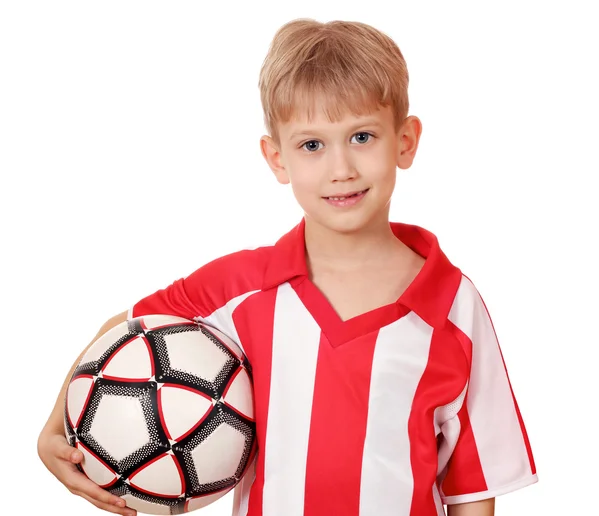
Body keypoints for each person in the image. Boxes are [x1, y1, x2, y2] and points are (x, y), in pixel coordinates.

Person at [37, 18, 538, 516]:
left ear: (405, 141)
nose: (341, 168)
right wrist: (53, 432)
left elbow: (471, 485)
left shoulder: (451, 304)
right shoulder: (241, 287)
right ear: (277, 158)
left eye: (362, 136)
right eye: (312, 145)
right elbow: (126, 332)